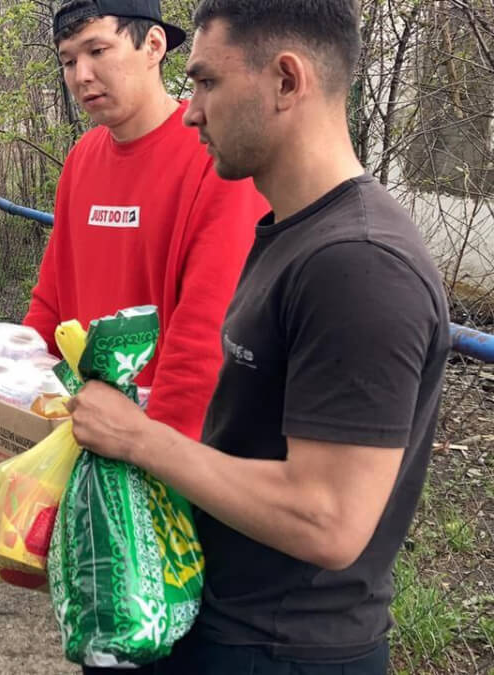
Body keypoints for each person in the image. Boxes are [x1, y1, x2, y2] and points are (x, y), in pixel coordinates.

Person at [66, 1, 450, 672]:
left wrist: (136, 436)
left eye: (208, 82)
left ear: (286, 81)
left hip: (286, 648)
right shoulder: (291, 232)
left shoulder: (359, 264)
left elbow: (328, 519)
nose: (189, 111)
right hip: (224, 620)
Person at [25, 0, 269, 442]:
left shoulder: (216, 160)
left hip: (168, 451)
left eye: (97, 51)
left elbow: (206, 337)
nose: (81, 75)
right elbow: (50, 302)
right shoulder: (82, 160)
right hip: (80, 433)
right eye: (68, 60)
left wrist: (151, 453)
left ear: (153, 45)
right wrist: (19, 397)